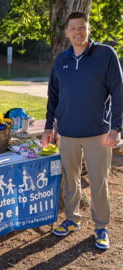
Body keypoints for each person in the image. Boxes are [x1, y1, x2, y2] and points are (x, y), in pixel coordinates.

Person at [42, 12, 123, 250]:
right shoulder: (60, 60)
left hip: (98, 133)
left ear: (88, 29)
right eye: (72, 28)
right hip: (66, 132)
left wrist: (116, 127)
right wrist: (49, 125)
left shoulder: (106, 54)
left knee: (98, 182)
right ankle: (72, 219)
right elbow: (53, 96)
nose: (77, 32)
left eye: (81, 27)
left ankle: (101, 227)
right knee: (71, 180)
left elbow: (118, 93)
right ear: (66, 32)